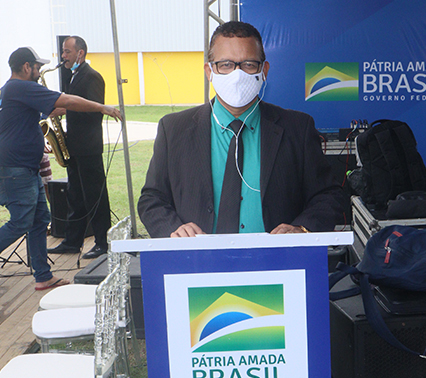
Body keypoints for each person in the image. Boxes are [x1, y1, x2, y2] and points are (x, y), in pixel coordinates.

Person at [138, 21, 345, 238]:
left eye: (248, 64)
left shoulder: (297, 128)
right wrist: (173, 230)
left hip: (277, 257)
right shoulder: (173, 129)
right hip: (197, 257)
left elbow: (328, 195)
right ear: (209, 71)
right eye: (226, 64)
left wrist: (302, 228)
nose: (237, 75)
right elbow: (152, 198)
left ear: (264, 70)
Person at [0, 46, 121, 296]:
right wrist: (101, 107)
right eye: (37, 67)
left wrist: (12, 131)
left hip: (23, 168)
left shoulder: (5, 91)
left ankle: (43, 276)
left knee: (39, 220)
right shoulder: (21, 87)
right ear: (26, 67)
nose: (38, 71)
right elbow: (65, 100)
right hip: (15, 170)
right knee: (20, 221)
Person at [47, 36, 111, 260]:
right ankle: (72, 241)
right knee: (75, 196)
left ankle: (103, 243)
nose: (63, 56)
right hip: (75, 146)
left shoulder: (92, 77)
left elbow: (95, 110)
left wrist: (65, 109)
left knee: (95, 197)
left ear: (80, 53)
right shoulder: (75, 75)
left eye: (67, 51)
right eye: (63, 51)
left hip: (89, 147)